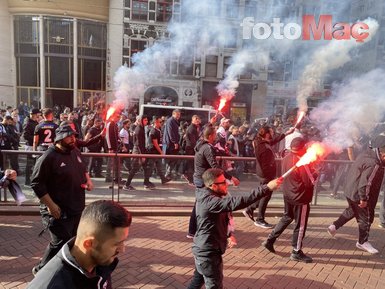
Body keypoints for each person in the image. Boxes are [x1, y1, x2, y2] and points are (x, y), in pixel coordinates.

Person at [187, 168, 281, 289]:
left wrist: (229, 234)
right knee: (214, 285)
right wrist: (266, 188)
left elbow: (219, 219)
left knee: (197, 281)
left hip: (203, 250)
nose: (227, 184)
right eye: (223, 182)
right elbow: (239, 202)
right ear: (213, 186)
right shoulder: (210, 201)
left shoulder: (207, 195)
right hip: (208, 253)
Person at [31, 125, 94, 275]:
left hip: (76, 207)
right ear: (59, 138)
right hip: (57, 210)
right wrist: (51, 205)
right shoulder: (48, 157)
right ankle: (40, 270)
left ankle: (66, 268)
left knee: (73, 240)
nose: (73, 139)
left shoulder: (75, 151)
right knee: (59, 242)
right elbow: (36, 183)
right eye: (69, 136)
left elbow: (83, 168)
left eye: (74, 136)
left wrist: (88, 180)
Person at [26, 200, 132, 289]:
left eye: (123, 241)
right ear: (88, 244)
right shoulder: (52, 285)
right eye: (117, 244)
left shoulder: (100, 262)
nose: (122, 249)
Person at [327, 134, 385, 254]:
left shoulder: (366, 154)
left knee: (351, 211)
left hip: (351, 190)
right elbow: (366, 183)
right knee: (367, 218)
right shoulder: (374, 164)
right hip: (360, 194)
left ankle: (334, 226)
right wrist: (364, 199)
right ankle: (362, 242)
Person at [261, 137, 316, 263]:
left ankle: (270, 240)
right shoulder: (303, 162)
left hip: (288, 194)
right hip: (300, 197)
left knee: (287, 217)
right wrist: (316, 172)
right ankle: (296, 251)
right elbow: (310, 182)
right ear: (302, 148)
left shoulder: (286, 157)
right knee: (300, 225)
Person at [187, 126, 240, 238]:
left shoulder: (201, 144)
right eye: (215, 135)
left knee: (199, 203)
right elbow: (214, 166)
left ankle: (193, 231)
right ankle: (198, 230)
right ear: (210, 136)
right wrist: (230, 178)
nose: (216, 136)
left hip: (200, 177)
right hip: (204, 179)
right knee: (203, 204)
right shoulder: (207, 148)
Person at [242, 125, 294, 228]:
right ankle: (259, 219)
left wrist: (286, 133)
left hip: (263, 174)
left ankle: (250, 209)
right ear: (266, 134)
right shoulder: (264, 147)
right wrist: (271, 178)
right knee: (265, 196)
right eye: (271, 132)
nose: (273, 133)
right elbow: (265, 165)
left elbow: (273, 141)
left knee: (263, 194)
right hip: (266, 175)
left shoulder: (260, 142)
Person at [22, 108, 41, 185]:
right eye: (38, 114)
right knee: (29, 164)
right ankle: (27, 180)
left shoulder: (34, 122)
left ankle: (32, 179)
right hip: (30, 145)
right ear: (34, 114)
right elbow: (25, 136)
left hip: (34, 145)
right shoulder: (28, 123)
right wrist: (35, 138)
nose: (39, 116)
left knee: (34, 163)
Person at [163, 109, 181, 179]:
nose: (178, 116)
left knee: (172, 159)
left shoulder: (174, 121)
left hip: (170, 143)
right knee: (173, 158)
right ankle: (167, 173)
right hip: (169, 144)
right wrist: (175, 142)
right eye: (177, 114)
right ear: (173, 114)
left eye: (179, 115)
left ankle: (168, 173)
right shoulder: (171, 121)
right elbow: (171, 133)